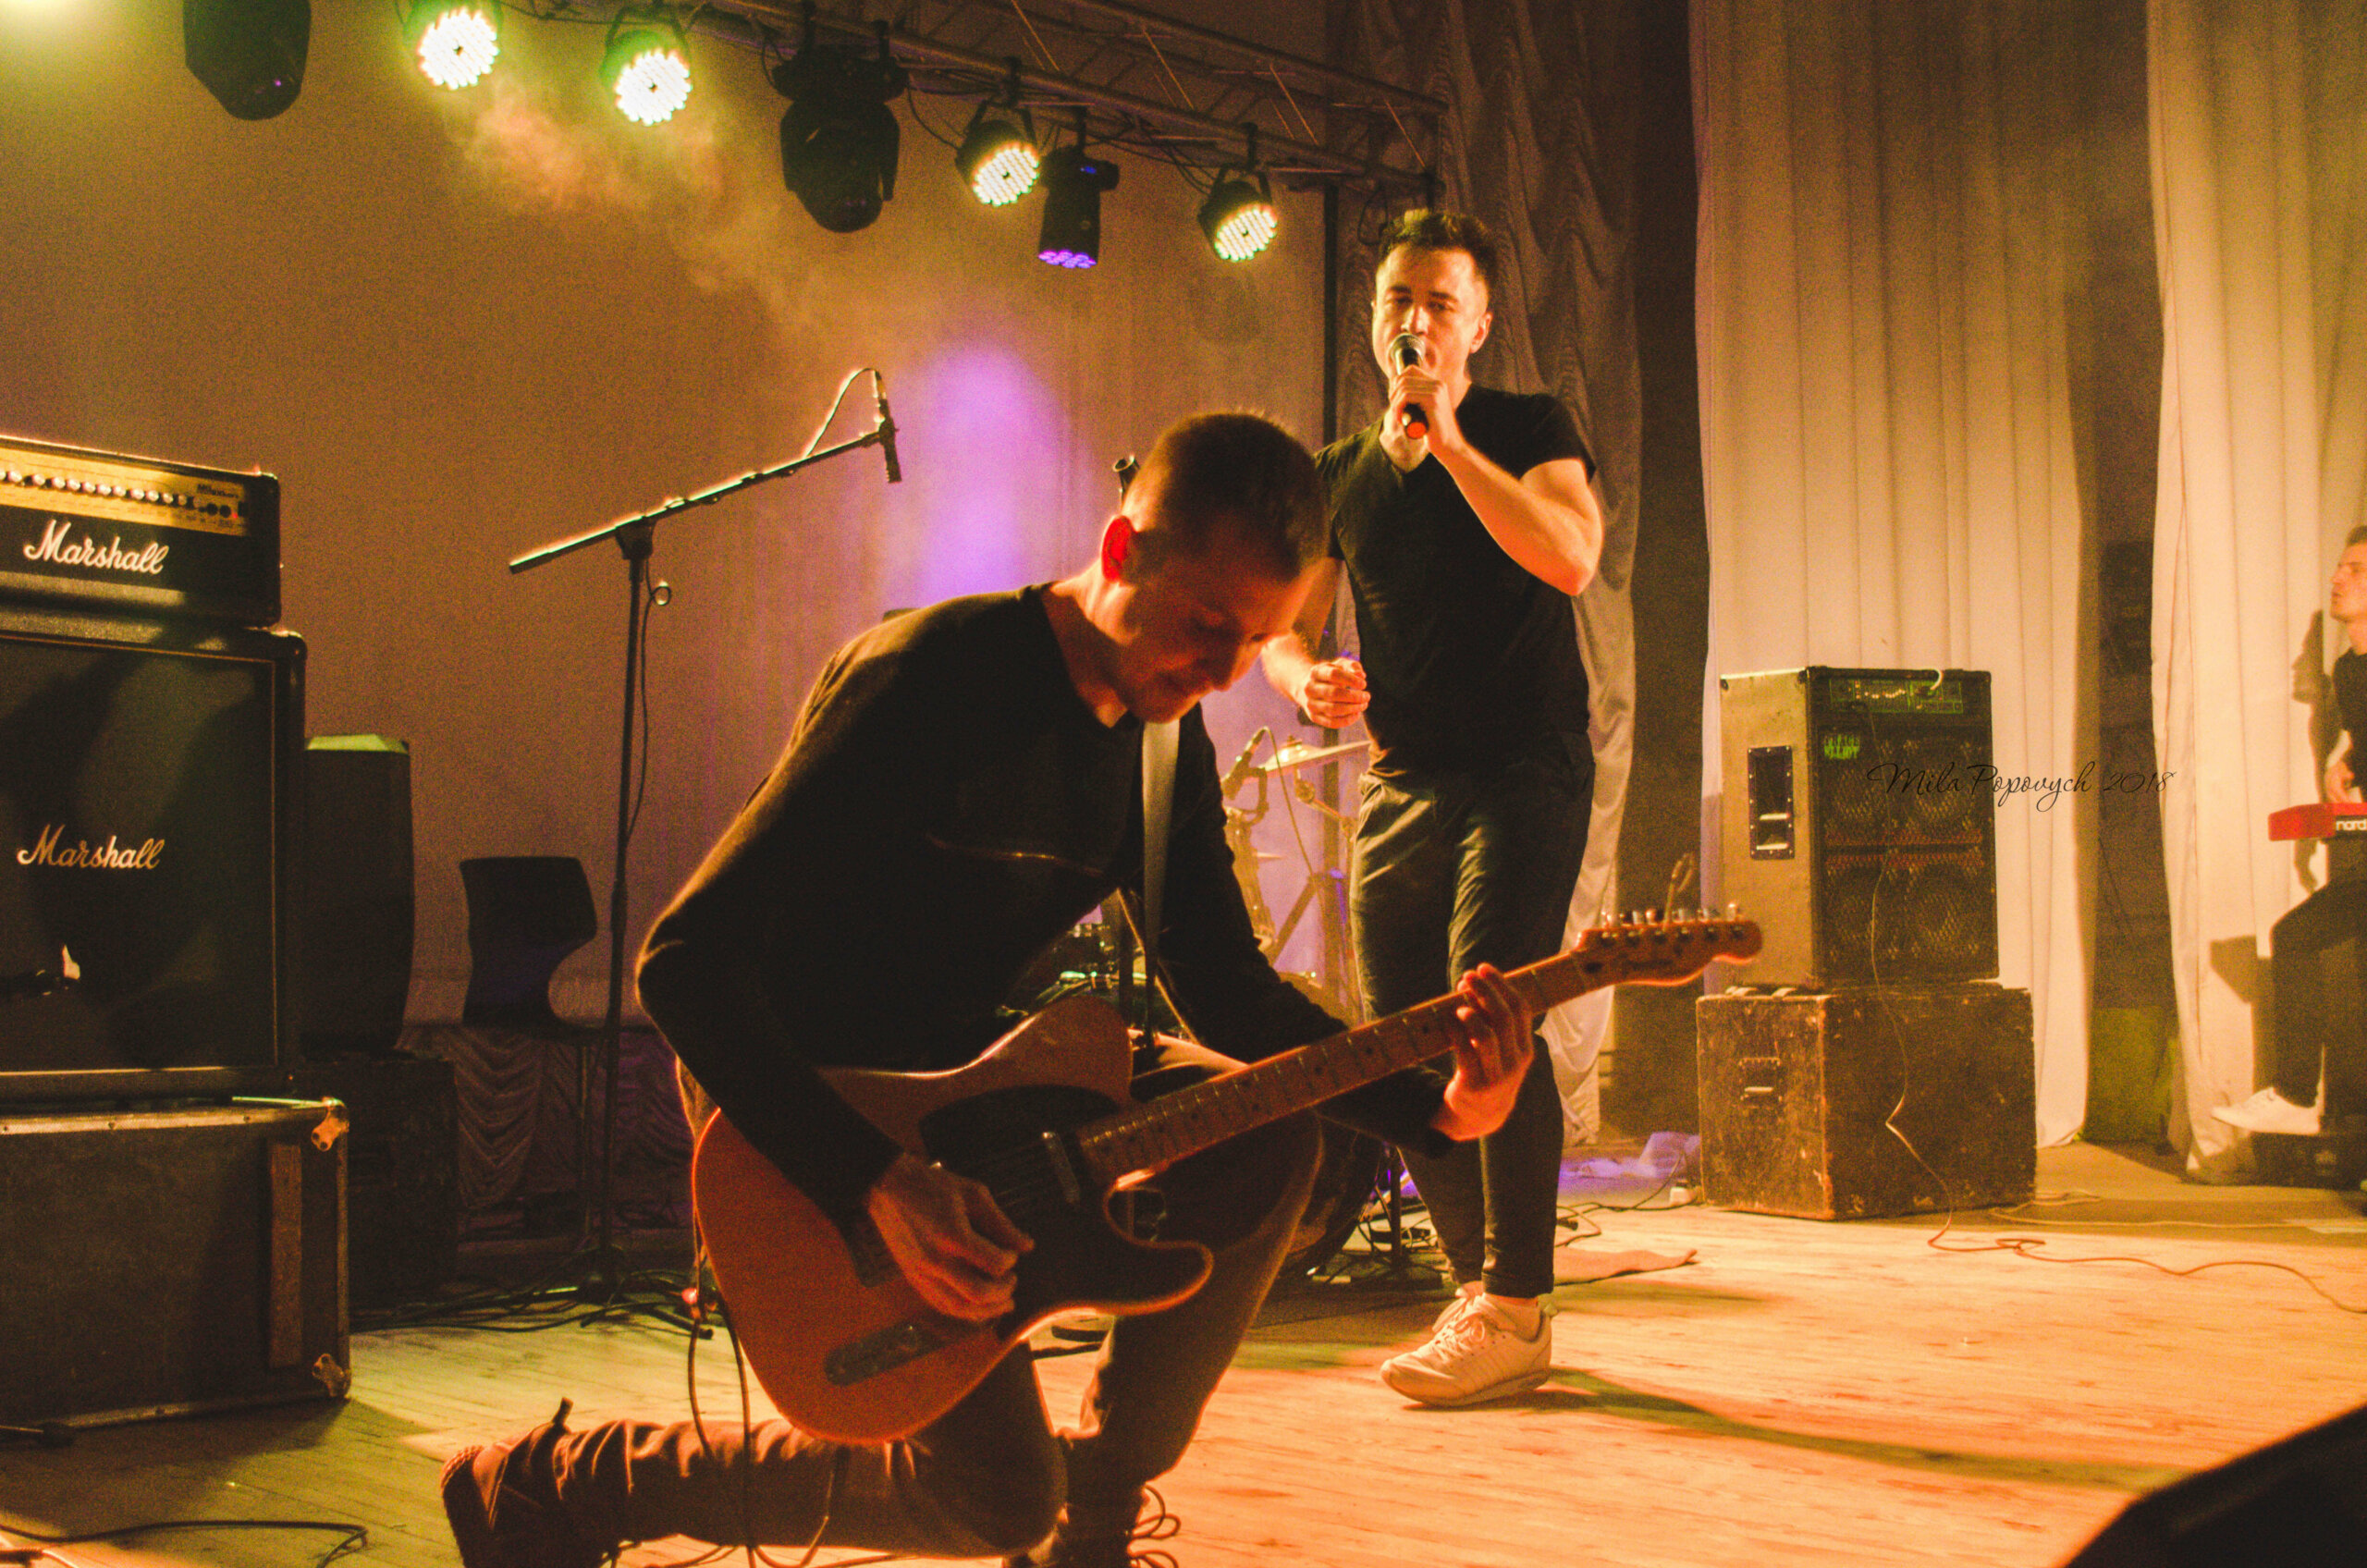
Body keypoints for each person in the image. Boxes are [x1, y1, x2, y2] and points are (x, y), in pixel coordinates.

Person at [440, 411, 1538, 1568]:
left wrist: (1437, 1109)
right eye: (1207, 625)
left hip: (973, 1081)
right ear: (1120, 551)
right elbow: (685, 961)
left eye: (1256, 640)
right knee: (990, 1501)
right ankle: (558, 1482)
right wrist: (877, 1181)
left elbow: (1226, 989)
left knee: (1264, 1139)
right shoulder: (930, 678)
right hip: (811, 1098)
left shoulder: (1163, 741)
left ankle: (1092, 1513)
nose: (1223, 674)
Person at [1262, 211, 1605, 1408]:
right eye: (1398, 300)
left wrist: (1450, 444)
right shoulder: (1336, 476)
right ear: (1373, 316)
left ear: (1481, 324)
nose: (1416, 321)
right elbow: (1286, 626)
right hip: (1405, 779)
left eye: (1441, 304)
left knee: (1489, 1008)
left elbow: (1572, 557)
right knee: (1405, 1040)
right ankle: (1478, 1296)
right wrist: (1304, 679)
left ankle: (1518, 1301)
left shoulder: (1526, 428)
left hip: (1527, 765)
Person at [2219, 526, 2367, 1138]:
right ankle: (2298, 1096)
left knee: (2300, 938)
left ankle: (2298, 1094)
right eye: (2339, 567)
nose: (2337, 578)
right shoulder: (2349, 670)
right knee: (2299, 938)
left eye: (2355, 570)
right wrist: (2346, 760)